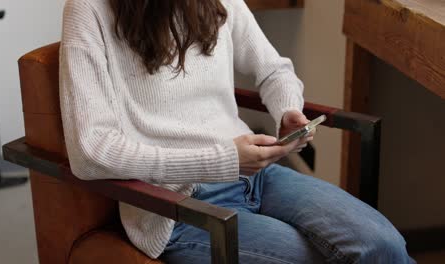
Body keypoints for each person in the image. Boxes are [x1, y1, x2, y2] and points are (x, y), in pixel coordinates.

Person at [59, 0, 415, 263]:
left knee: (383, 244)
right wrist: (222, 160)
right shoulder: (88, 9)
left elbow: (274, 70)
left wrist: (288, 110)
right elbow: (90, 150)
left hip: (257, 176)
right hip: (175, 208)